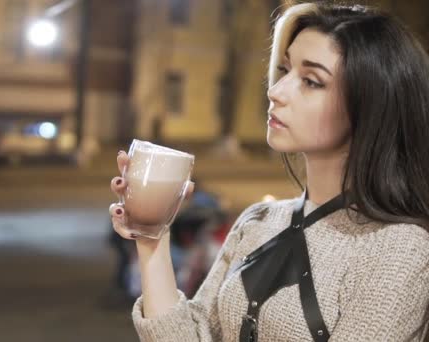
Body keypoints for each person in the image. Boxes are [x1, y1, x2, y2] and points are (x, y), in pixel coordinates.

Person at [108, 3, 429, 341]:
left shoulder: (400, 250)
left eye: (311, 81)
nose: (276, 92)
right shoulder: (258, 221)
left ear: (371, 103)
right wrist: (152, 237)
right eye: (285, 70)